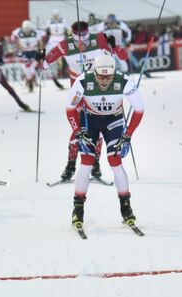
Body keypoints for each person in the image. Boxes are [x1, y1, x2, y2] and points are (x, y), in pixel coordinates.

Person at [38, 21, 127, 181]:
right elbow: (44, 65)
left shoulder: (99, 39)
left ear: (89, 33)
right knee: (78, 128)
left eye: (85, 39)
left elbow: (122, 57)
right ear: (73, 35)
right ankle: (71, 165)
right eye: (79, 40)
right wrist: (41, 58)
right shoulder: (64, 45)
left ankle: (95, 164)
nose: (83, 43)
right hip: (78, 90)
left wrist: (115, 47)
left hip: (99, 89)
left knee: (99, 125)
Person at [64, 54, 144, 227]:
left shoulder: (124, 81)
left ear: (114, 72)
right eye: (101, 76)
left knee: (115, 161)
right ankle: (78, 208)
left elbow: (139, 109)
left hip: (113, 121)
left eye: (109, 76)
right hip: (89, 120)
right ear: (95, 72)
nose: (105, 80)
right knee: (86, 162)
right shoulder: (83, 81)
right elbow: (70, 109)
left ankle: (126, 206)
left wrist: (128, 135)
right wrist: (77, 133)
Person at [10, 20, 44, 92]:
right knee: (25, 68)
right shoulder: (18, 31)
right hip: (24, 52)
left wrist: (41, 52)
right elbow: (12, 38)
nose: (26, 30)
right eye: (25, 29)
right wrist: (15, 43)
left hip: (34, 52)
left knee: (32, 68)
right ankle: (28, 81)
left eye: (28, 29)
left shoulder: (35, 32)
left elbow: (40, 42)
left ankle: (32, 81)